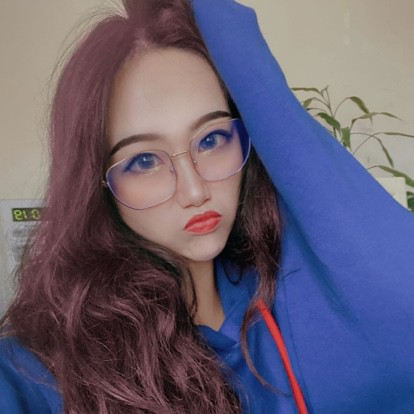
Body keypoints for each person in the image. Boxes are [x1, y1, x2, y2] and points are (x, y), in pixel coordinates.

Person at [1, 0, 414, 412]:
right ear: (98, 185)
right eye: (144, 161)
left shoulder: (288, 301)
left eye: (212, 139)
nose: (195, 190)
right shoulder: (36, 371)